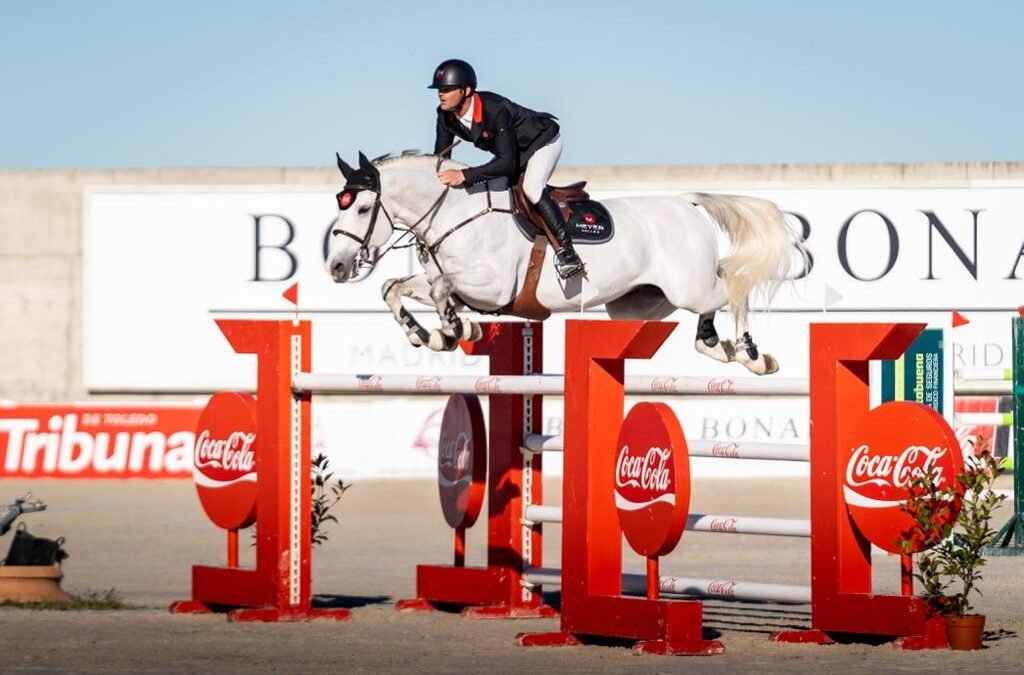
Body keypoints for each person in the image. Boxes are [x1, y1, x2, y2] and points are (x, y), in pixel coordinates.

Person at [430, 59, 585, 279]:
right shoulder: (445, 115)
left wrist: (465, 175)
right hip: (513, 153)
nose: (440, 94)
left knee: (531, 188)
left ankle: (568, 254)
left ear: (466, 90)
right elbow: (441, 159)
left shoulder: (495, 109)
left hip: (542, 142)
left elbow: (506, 164)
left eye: (446, 89)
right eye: (439, 90)